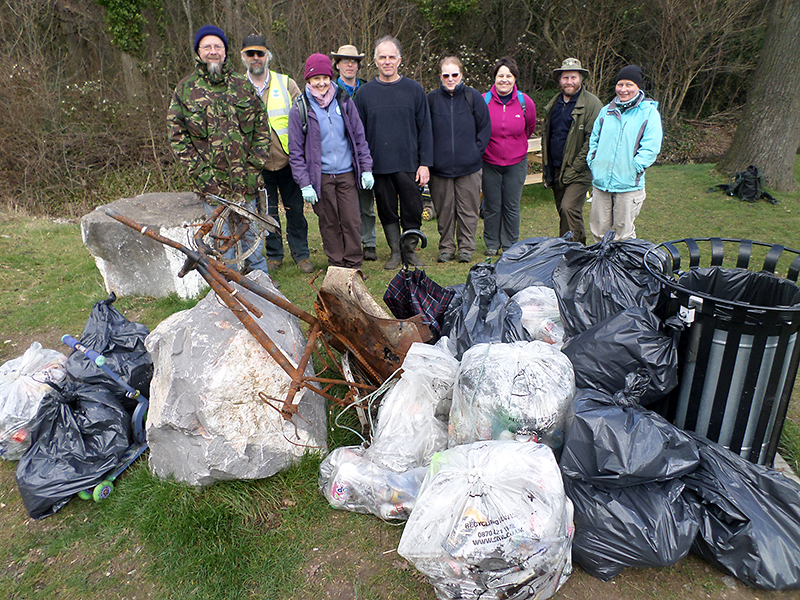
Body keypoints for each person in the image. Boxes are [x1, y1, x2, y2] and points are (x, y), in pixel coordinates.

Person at [168, 25, 270, 275]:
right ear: (198, 52)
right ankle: (230, 298)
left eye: (218, 47)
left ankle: (266, 292)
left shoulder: (242, 86)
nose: (213, 52)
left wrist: (255, 164)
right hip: (212, 189)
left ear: (225, 53)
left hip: (247, 185)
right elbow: (176, 135)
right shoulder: (185, 90)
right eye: (207, 47)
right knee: (221, 248)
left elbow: (261, 126)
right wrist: (201, 173)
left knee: (253, 246)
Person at [354, 36, 433, 270]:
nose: (387, 62)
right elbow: (359, 134)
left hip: (409, 164)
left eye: (391, 57)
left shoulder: (414, 90)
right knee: (386, 210)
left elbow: (425, 129)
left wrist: (425, 163)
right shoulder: (365, 94)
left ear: (399, 60)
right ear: (375, 61)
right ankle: (395, 252)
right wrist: (364, 166)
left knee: (413, 208)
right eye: (382, 57)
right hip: (379, 166)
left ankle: (410, 251)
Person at [288, 54, 374, 269]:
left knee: (352, 221)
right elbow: (296, 151)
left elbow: (359, 137)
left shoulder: (344, 101)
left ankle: (354, 264)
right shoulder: (300, 109)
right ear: (308, 81)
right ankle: (336, 264)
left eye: (325, 77)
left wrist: (366, 169)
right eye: (315, 78)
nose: (321, 83)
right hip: (321, 178)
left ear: (330, 77)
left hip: (346, 174)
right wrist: (304, 183)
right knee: (329, 223)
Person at [240, 34, 313, 274]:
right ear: (244, 58)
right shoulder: (237, 88)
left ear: (268, 56)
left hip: (289, 161)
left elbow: (305, 119)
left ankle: (302, 255)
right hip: (257, 165)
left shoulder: (286, 83)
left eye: (260, 53)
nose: (256, 58)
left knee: (296, 211)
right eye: (251, 54)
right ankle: (274, 256)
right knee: (267, 214)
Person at [587, 65, 663, 241]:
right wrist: (593, 161)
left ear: (638, 87)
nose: (623, 89)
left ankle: (624, 269)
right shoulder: (606, 111)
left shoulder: (648, 112)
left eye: (629, 85)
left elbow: (651, 146)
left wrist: (635, 166)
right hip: (601, 183)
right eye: (620, 84)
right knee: (599, 233)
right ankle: (601, 268)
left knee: (624, 236)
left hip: (628, 185)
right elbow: (594, 138)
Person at [427, 56, 491, 263]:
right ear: (440, 76)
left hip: (469, 168)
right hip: (440, 169)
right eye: (446, 75)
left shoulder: (473, 97)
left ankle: (466, 248)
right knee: (444, 211)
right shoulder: (432, 99)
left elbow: (485, 127)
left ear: (461, 75)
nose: (450, 79)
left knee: (468, 210)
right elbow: (424, 132)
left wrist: (475, 152)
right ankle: (446, 247)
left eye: (454, 74)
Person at [541, 58, 603, 245]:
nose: (569, 81)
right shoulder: (555, 104)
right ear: (559, 80)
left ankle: (578, 250)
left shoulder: (592, 104)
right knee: (563, 211)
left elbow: (593, 141)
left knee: (569, 208)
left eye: (573, 77)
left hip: (579, 170)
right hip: (556, 168)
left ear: (581, 79)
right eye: (565, 77)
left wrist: (575, 167)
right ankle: (566, 249)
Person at [482, 56, 537, 256]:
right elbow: (479, 128)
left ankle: (510, 243)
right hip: (489, 161)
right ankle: (491, 243)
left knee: (511, 205)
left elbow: (529, 127)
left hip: (516, 162)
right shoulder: (484, 100)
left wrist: (515, 146)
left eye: (509, 76)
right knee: (492, 205)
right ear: (494, 78)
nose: (504, 79)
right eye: (500, 75)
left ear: (515, 79)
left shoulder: (524, 102)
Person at [331, 44, 377, 262]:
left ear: (358, 65)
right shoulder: (329, 91)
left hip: (364, 153)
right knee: (343, 205)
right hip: (339, 156)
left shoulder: (368, 89)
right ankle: (346, 245)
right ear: (337, 64)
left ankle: (368, 242)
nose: (349, 64)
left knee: (366, 203)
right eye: (344, 60)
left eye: (353, 61)